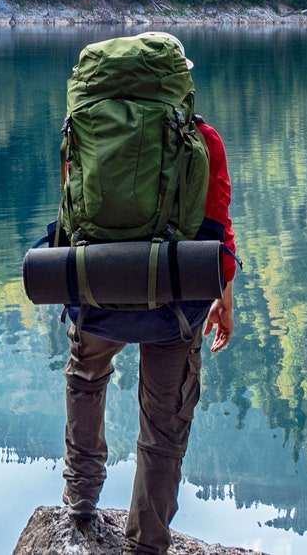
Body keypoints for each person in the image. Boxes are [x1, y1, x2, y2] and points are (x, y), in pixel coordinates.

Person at [60, 33, 237, 555]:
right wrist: (224, 300)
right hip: (173, 307)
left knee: (86, 377)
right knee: (164, 424)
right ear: (178, 84)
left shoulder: (85, 133)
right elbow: (218, 229)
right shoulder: (203, 141)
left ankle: (80, 502)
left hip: (95, 295)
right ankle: (148, 542)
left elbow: (72, 218)